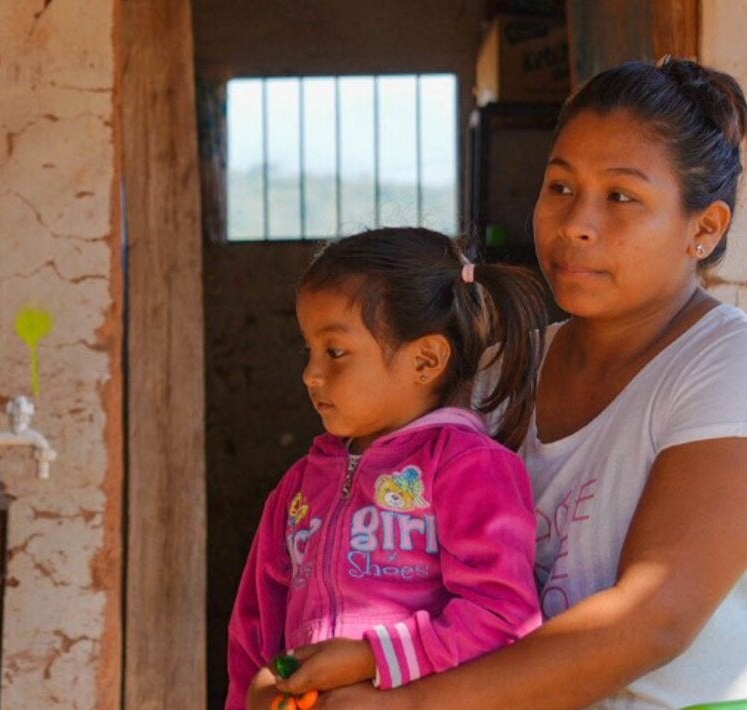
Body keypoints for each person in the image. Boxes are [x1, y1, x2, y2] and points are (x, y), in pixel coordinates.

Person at [294, 57, 747, 710]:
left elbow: (654, 617)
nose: (574, 224)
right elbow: (382, 556)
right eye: (560, 187)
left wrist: (412, 705)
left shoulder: (724, 367)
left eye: (620, 197)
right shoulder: (495, 371)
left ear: (703, 228)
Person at [227, 226, 549, 709]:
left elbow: (503, 618)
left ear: (425, 360)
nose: (311, 374)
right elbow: (254, 631)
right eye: (309, 351)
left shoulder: (469, 467)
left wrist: (370, 659)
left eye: (335, 352)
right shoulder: (299, 486)